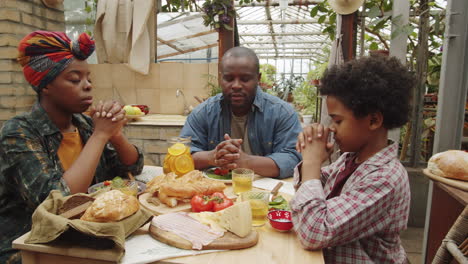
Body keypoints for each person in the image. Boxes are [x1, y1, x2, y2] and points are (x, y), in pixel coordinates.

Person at [0, 31, 144, 264]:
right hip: (31, 246)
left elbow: (132, 166)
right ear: (45, 86)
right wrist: (100, 135)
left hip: (82, 235)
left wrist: (116, 135)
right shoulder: (19, 133)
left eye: (89, 79)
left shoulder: (84, 125)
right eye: (75, 80)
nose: (87, 86)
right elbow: (58, 201)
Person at [291, 55, 414, 263]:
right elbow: (309, 188)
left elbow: (314, 232)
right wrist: (313, 157)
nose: (331, 128)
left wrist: (312, 163)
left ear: (373, 120)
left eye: (338, 120)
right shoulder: (350, 159)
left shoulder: (385, 179)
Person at [180, 47, 302, 178]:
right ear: (221, 79)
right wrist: (213, 156)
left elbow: (293, 160)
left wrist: (246, 161)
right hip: (214, 194)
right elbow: (180, 156)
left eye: (245, 79)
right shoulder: (202, 113)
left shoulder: (282, 113)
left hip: (265, 194)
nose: (236, 85)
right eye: (229, 78)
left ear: (258, 78)